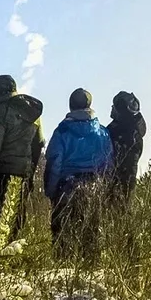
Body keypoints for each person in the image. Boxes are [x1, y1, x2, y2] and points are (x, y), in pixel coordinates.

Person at [44, 88, 113, 259]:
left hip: (66, 188)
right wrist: (105, 188)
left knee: (62, 236)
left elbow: (54, 162)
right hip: (94, 187)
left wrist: (51, 191)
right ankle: (92, 273)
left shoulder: (62, 131)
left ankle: (62, 275)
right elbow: (108, 163)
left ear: (71, 105)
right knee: (92, 235)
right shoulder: (102, 132)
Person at [0, 75, 44, 239]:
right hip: (24, 177)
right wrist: (30, 174)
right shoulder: (33, 113)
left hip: (3, 176)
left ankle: (1, 264)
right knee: (17, 226)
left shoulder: (0, 111)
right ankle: (16, 263)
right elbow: (38, 144)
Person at [107, 91, 146, 206]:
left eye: (114, 106)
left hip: (117, 181)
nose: (112, 108)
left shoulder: (118, 131)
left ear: (121, 109)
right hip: (129, 182)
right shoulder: (135, 132)